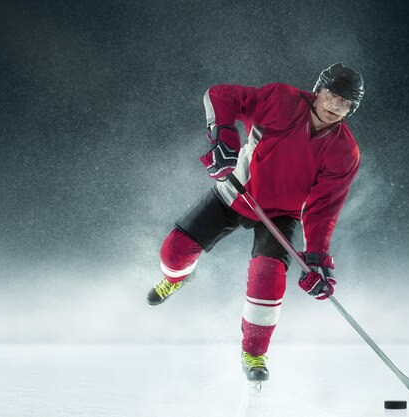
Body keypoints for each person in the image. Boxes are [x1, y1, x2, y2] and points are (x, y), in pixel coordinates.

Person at [147, 63, 364, 383]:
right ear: (319, 90)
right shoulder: (281, 100)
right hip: (236, 192)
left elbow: (323, 209)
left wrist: (317, 258)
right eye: (332, 95)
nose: (335, 106)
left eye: (345, 102)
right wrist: (222, 137)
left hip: (280, 215)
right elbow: (220, 95)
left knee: (268, 277)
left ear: (352, 108)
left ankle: (254, 353)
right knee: (175, 251)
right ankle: (176, 278)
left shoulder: (345, 152)